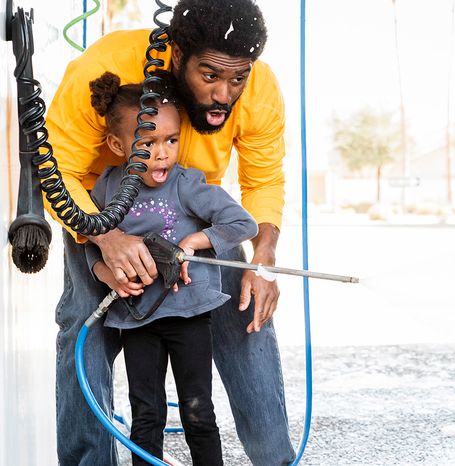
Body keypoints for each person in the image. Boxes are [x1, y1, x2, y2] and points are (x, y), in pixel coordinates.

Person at [46, 0, 295, 464]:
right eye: (210, 76)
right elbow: (57, 169)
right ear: (178, 55)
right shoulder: (102, 66)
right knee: (84, 327)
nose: (225, 93)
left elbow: (264, 179)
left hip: (196, 217)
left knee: (249, 317)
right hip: (99, 213)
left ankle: (276, 459)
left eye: (236, 78)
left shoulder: (258, 87)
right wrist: (106, 239)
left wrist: (264, 259)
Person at [86, 71, 257, 466]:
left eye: (171, 140)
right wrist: (105, 273)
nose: (162, 152)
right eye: (147, 142)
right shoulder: (107, 189)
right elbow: (90, 241)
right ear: (117, 144)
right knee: (146, 413)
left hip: (188, 315)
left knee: (199, 408)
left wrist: (191, 243)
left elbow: (242, 224)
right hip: (137, 319)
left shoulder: (186, 184)